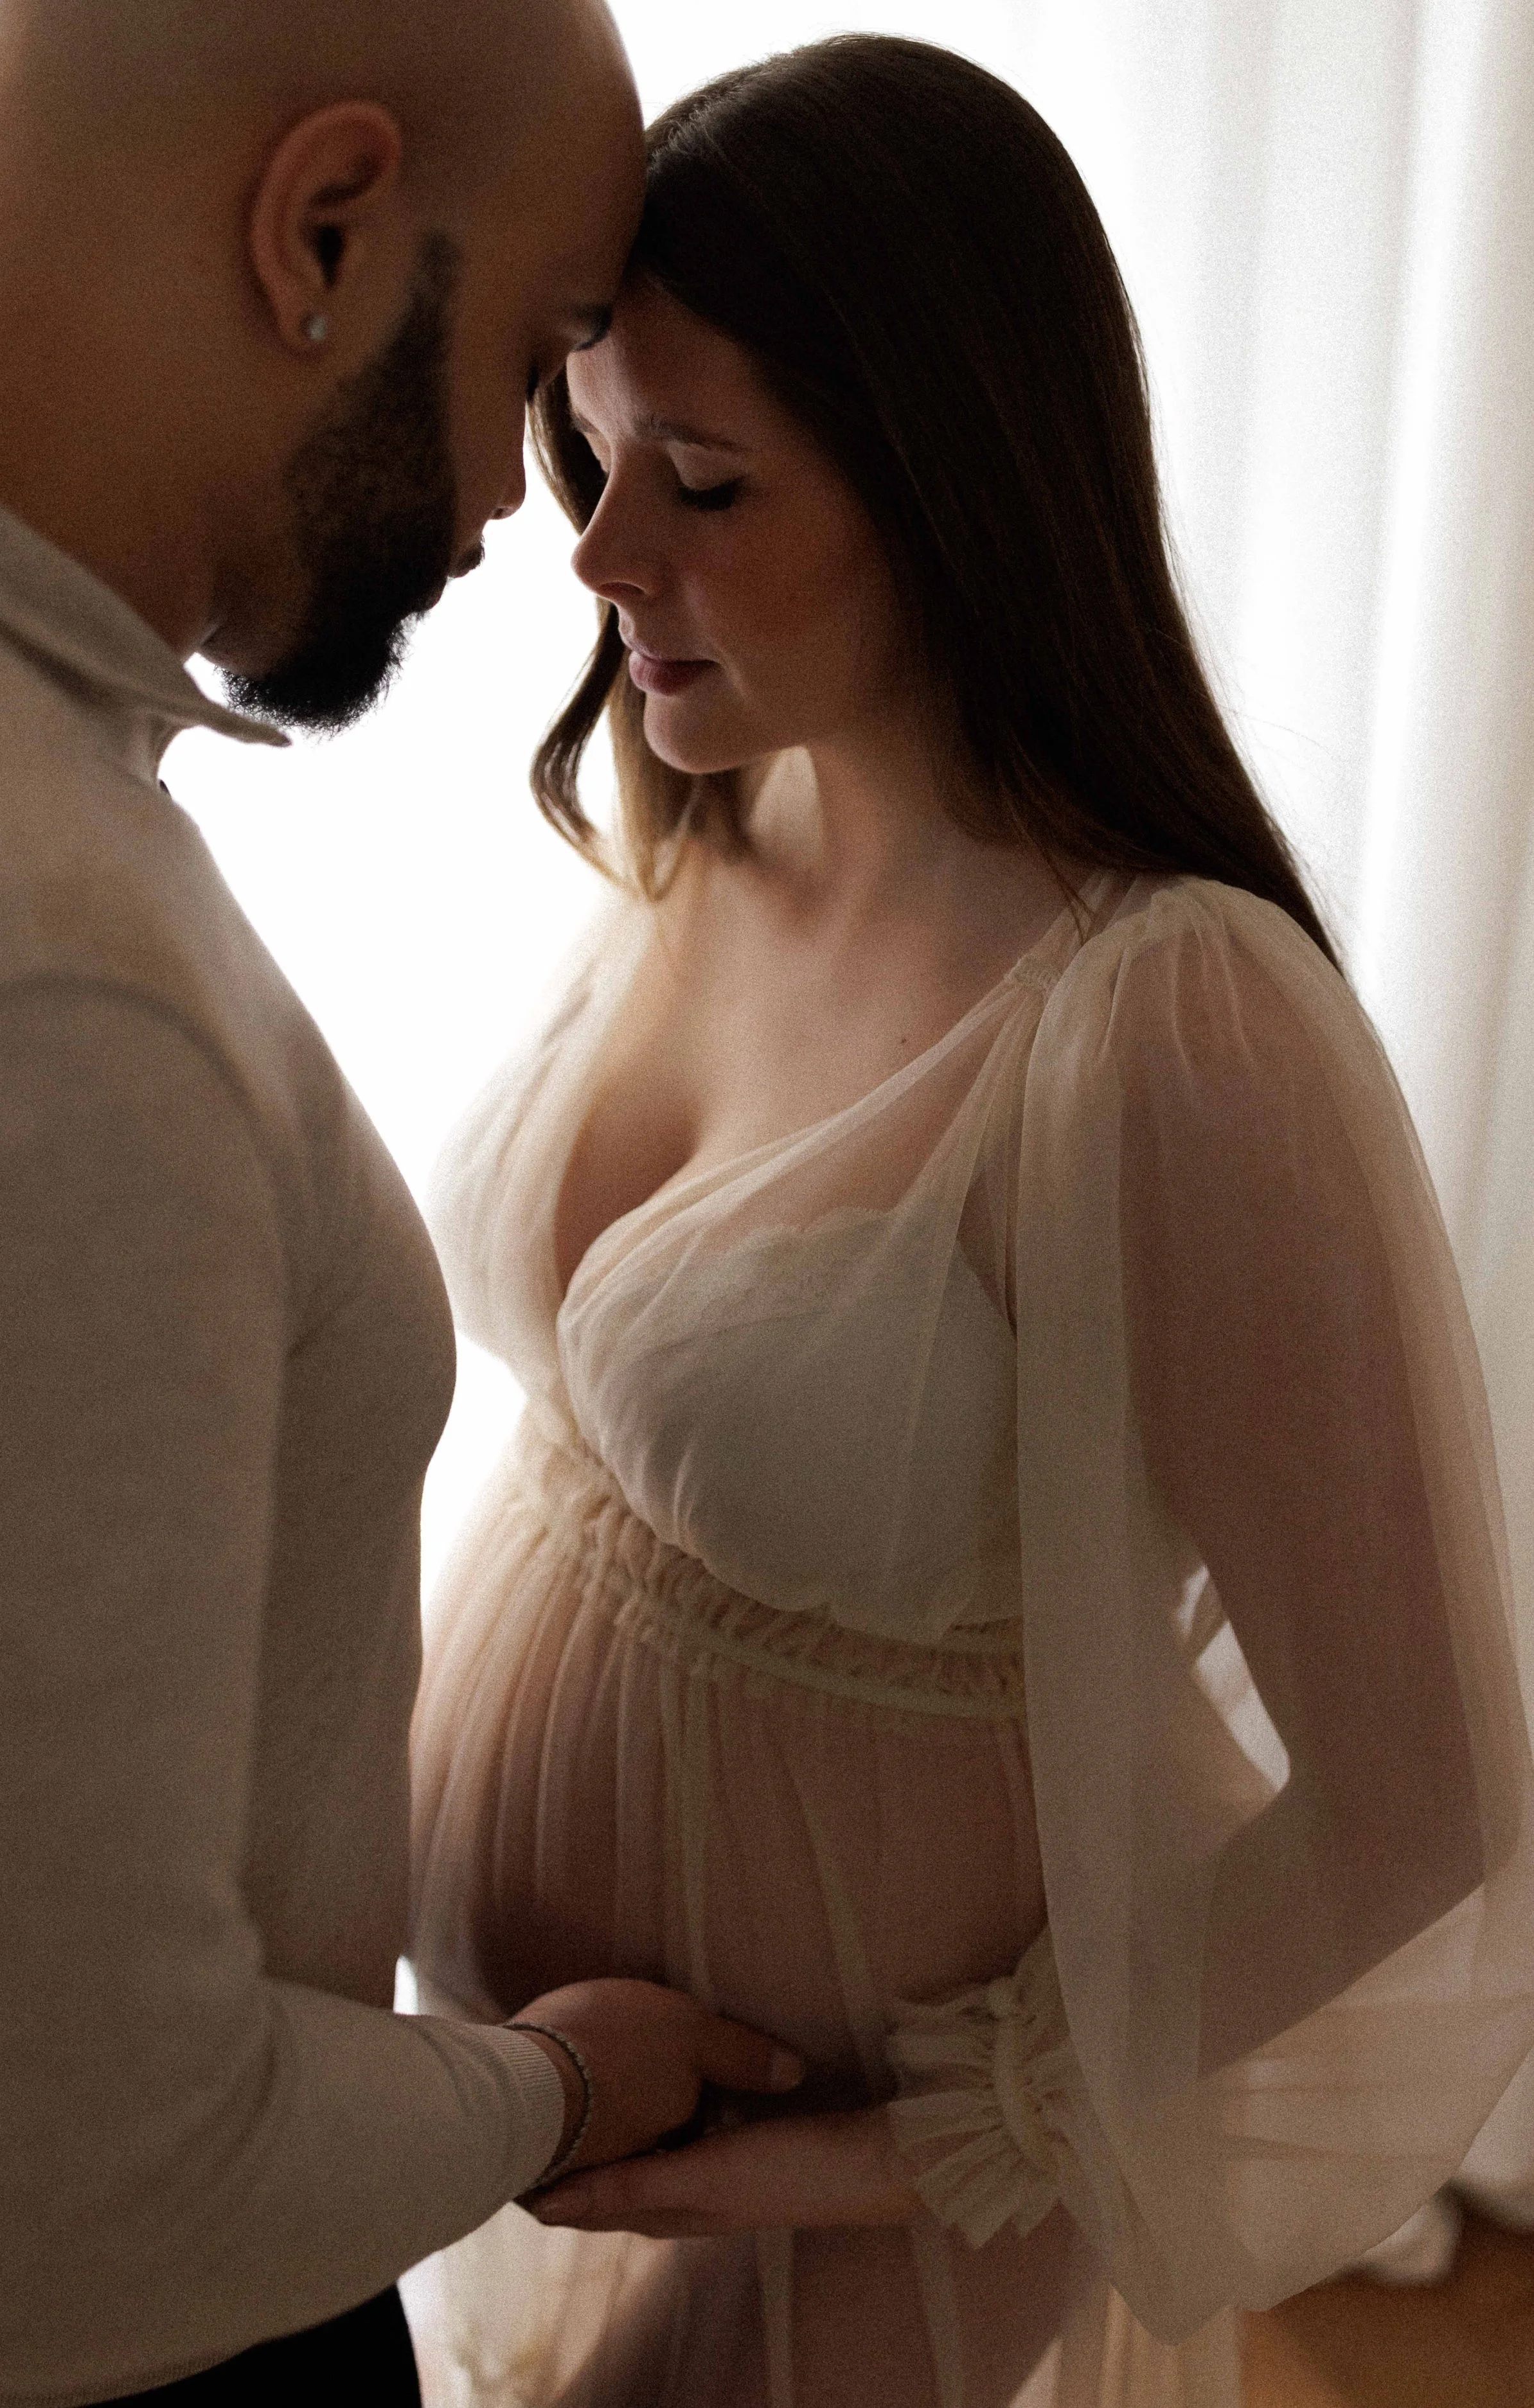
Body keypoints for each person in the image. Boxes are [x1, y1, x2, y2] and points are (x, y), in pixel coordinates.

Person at [406, 35, 1534, 2408]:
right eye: (591, 456)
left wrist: (918, 2139)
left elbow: (1418, 1795)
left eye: (702, 480)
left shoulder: (1166, 1025)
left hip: (839, 2160)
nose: (599, 555)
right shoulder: (719, 812)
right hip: (528, 2089)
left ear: (951, 481)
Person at [0, 5, 806, 2403]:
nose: (522, 514)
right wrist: (555, 2091)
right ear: (321, 227)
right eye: (527, 361)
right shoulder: (39, 978)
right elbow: (66, 2200)